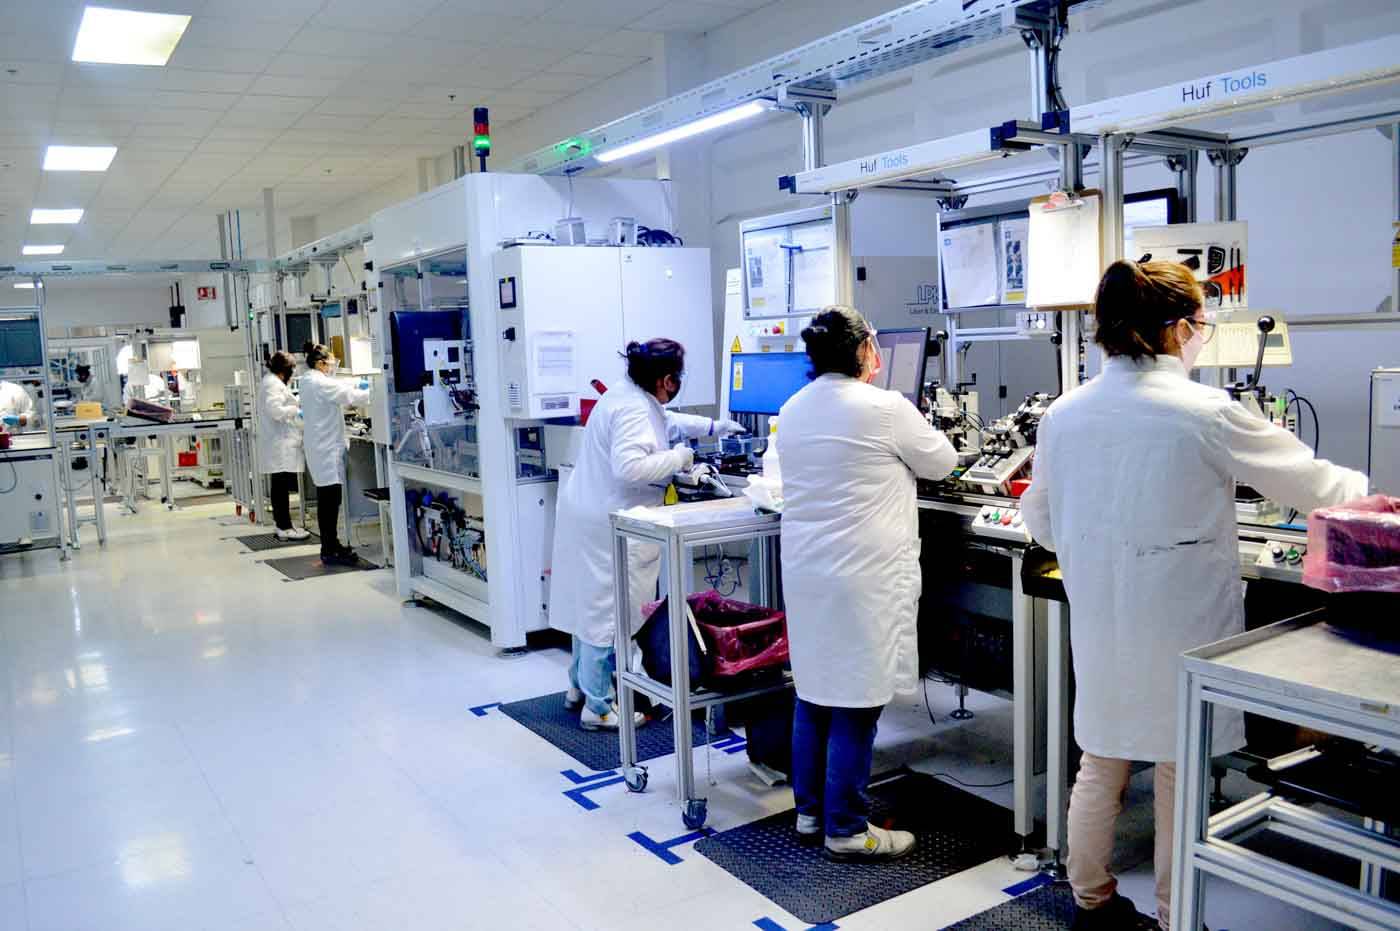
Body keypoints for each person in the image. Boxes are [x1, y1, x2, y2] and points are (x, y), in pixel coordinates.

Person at [1020, 260, 1368, 931]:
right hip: (1179, 623)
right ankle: (1179, 917)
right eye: (1200, 325)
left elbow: (1041, 517)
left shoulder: (1065, 413)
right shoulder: (1205, 410)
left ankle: (1091, 900)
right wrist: (1375, 499)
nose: (1200, 336)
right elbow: (1315, 484)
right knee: (1180, 763)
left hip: (1103, 615)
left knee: (1102, 756)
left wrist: (1102, 546)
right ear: (1179, 328)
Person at [776, 306, 958, 862]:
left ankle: (810, 813)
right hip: (862, 577)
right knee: (856, 700)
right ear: (863, 352)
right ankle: (849, 828)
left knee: (814, 693)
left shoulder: (793, 407)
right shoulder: (884, 408)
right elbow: (944, 462)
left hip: (809, 574)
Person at [550, 339, 745, 730]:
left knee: (589, 606)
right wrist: (681, 458)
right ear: (666, 379)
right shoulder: (633, 409)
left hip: (588, 511)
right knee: (609, 612)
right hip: (611, 520)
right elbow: (630, 467)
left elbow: (666, 420)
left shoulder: (627, 396)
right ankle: (599, 708)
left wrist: (712, 426)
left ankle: (579, 688)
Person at [300, 342, 371, 566]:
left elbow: (338, 386)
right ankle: (330, 549)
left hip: (320, 446)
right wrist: (376, 390)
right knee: (330, 500)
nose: (332, 366)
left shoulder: (309, 380)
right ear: (320, 363)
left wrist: (355, 385)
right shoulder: (319, 383)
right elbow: (350, 396)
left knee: (328, 499)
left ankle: (330, 545)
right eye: (330, 362)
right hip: (326, 448)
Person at [259, 351, 309, 542]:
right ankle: (284, 526)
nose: (292, 375)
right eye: (292, 371)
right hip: (278, 442)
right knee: (280, 486)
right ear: (284, 370)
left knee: (279, 485)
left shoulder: (271, 381)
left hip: (277, 441)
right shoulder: (273, 384)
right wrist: (296, 409)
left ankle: (284, 524)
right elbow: (276, 411)